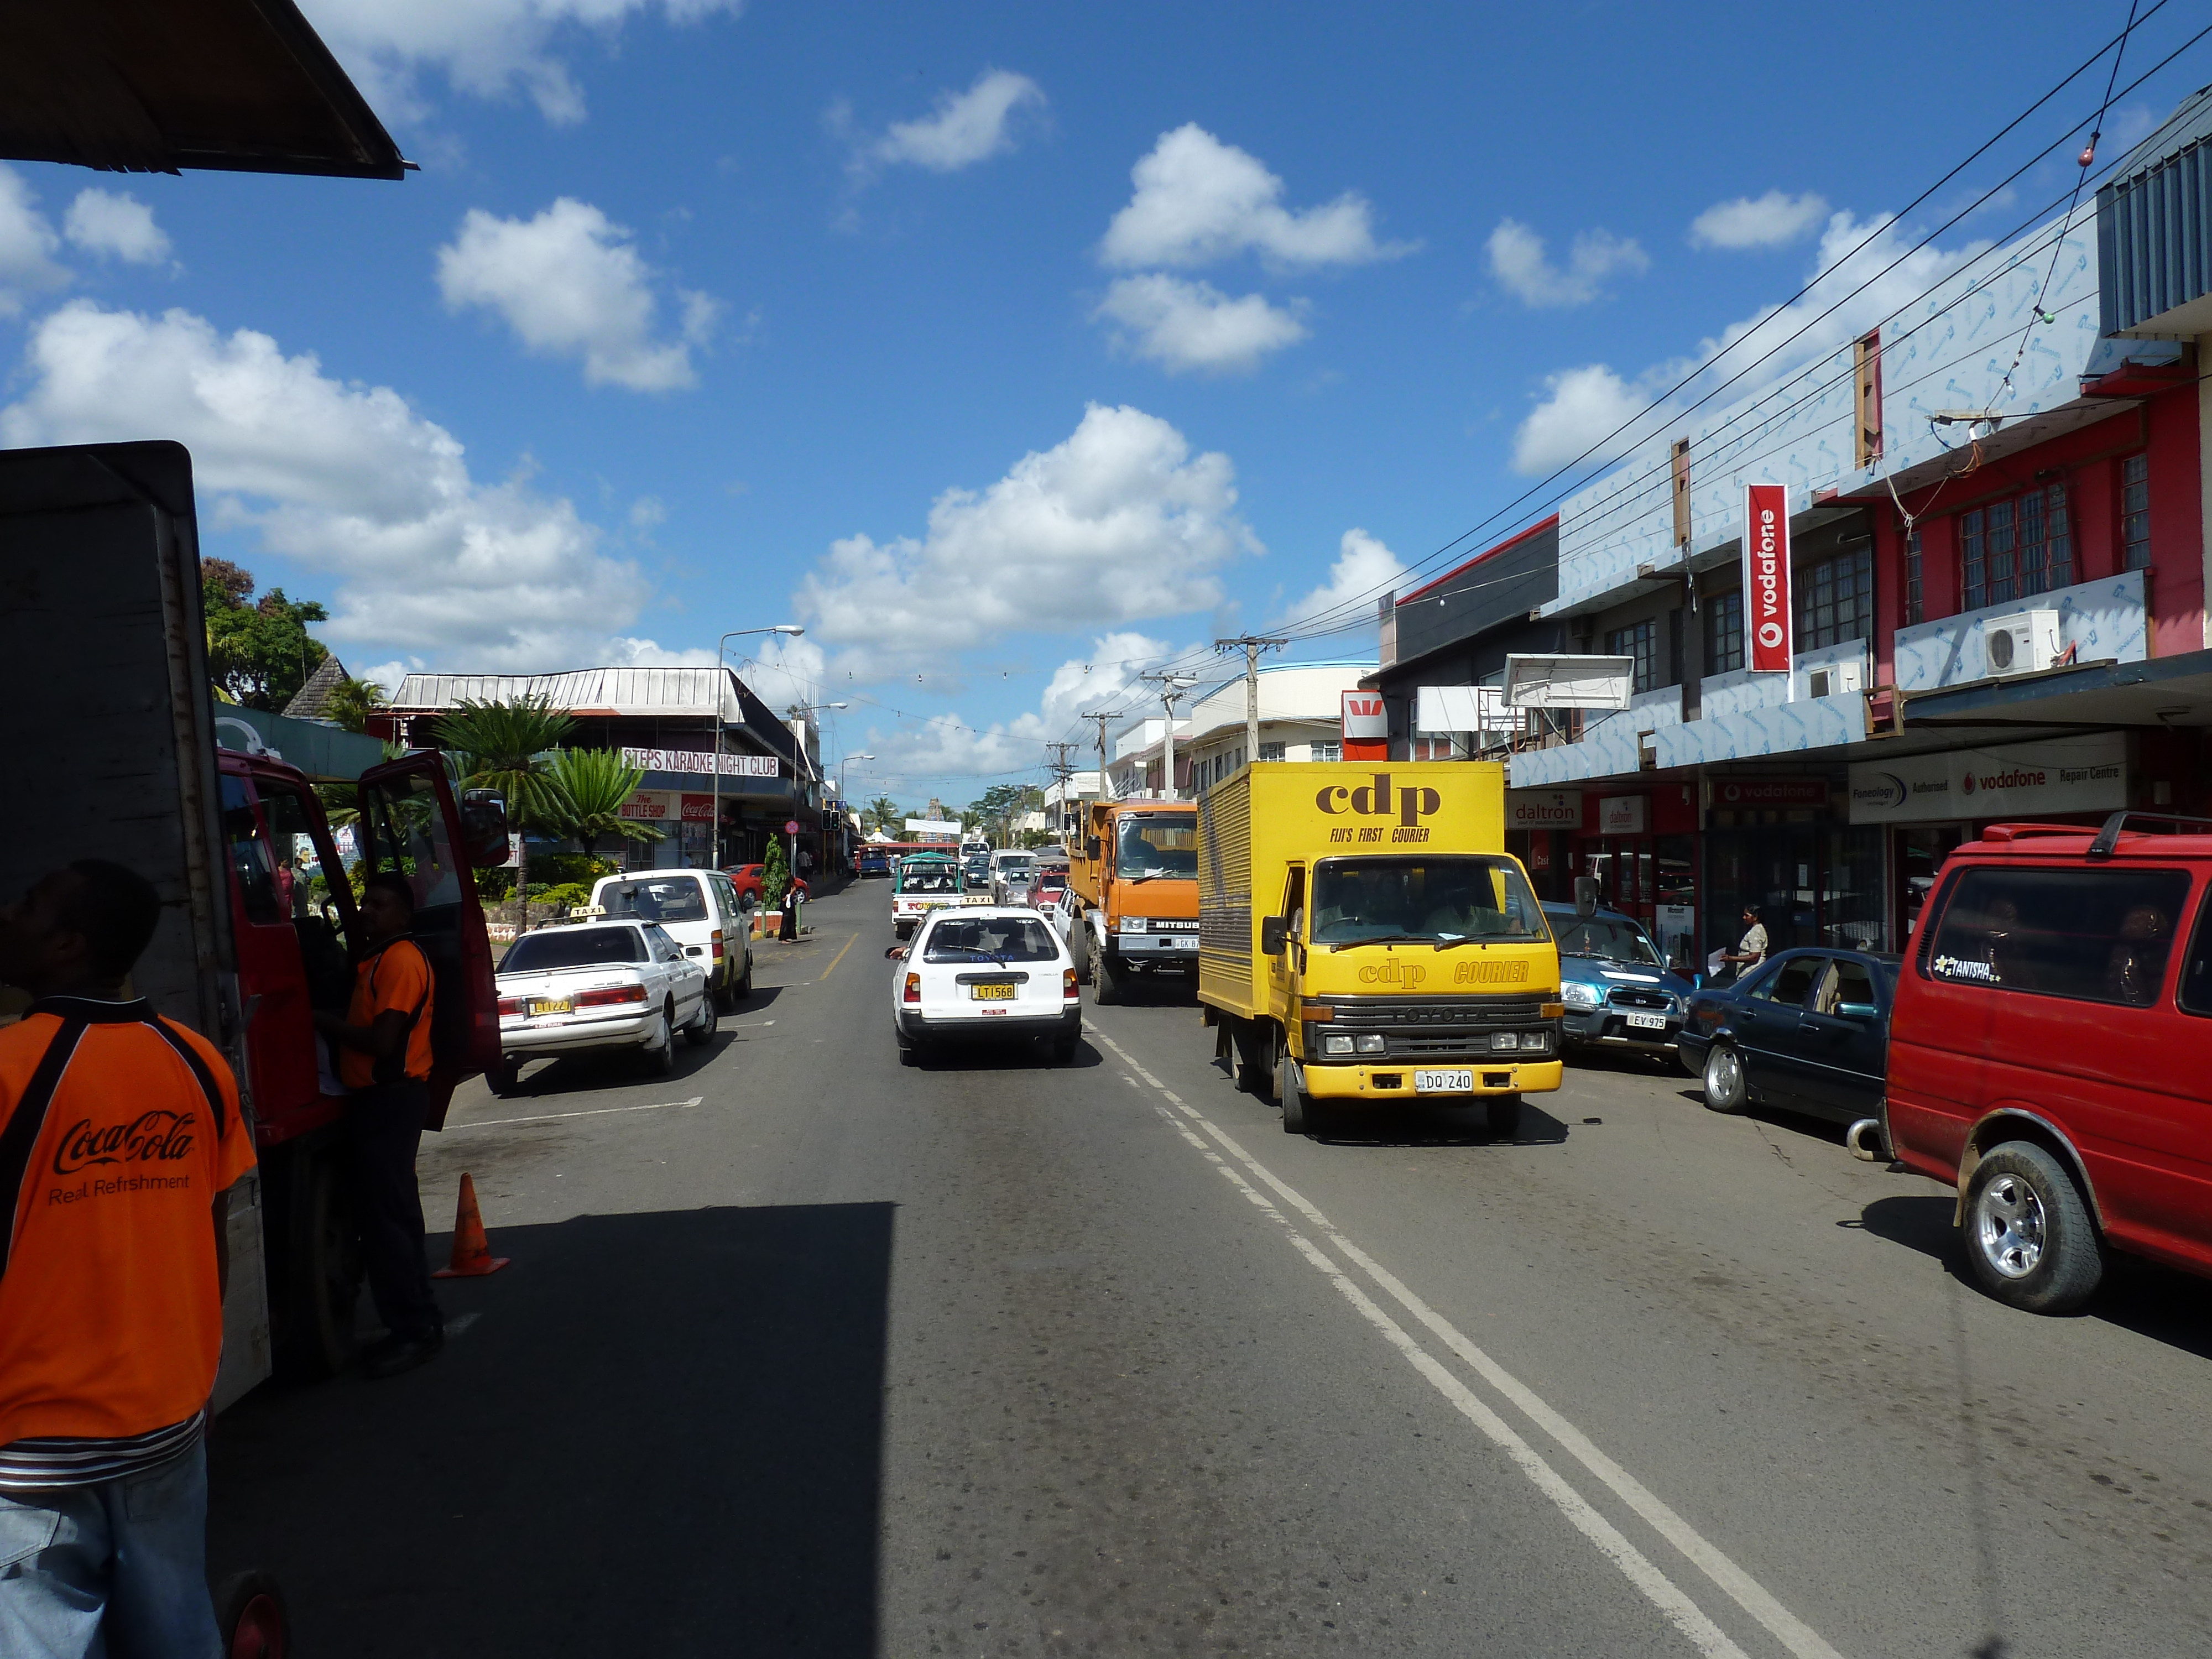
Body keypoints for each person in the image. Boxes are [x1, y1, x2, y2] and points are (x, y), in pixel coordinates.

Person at [0, 859, 257, 1658]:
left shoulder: (12, 1067)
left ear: (69, 945)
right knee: (174, 1625)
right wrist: (202, 1374)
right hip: (166, 1421)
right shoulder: (195, 1062)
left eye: (29, 902)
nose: (9, 914)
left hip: (32, 1446)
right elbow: (210, 1232)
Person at [314, 872, 442, 1380]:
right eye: (365, 902)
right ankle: (419, 1322)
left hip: (391, 1100)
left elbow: (383, 1042)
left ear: (404, 916)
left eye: (381, 904)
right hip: (383, 1101)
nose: (368, 911)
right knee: (395, 1218)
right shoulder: (379, 958)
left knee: (387, 1223)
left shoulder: (400, 961)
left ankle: (414, 1331)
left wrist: (318, 1021)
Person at [1719, 905, 1768, 978]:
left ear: (1755, 917)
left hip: (1751, 973)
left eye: (1747, 915)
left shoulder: (1756, 931)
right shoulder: (1757, 929)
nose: (1744, 918)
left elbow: (1755, 956)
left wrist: (1730, 958)